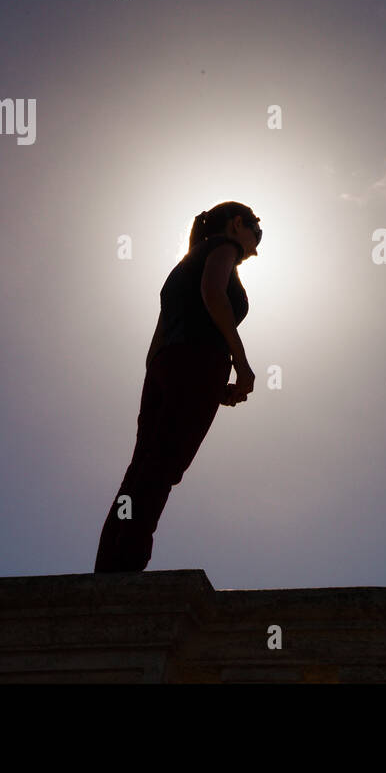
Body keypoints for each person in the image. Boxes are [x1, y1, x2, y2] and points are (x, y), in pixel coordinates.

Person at [93, 201, 262, 572]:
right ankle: (129, 567)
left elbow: (158, 343)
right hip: (198, 361)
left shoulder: (180, 268)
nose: (257, 243)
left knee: (142, 465)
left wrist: (195, 384)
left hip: (164, 367)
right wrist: (240, 363)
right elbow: (213, 294)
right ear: (237, 225)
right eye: (256, 230)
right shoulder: (224, 249)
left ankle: (109, 565)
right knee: (164, 465)